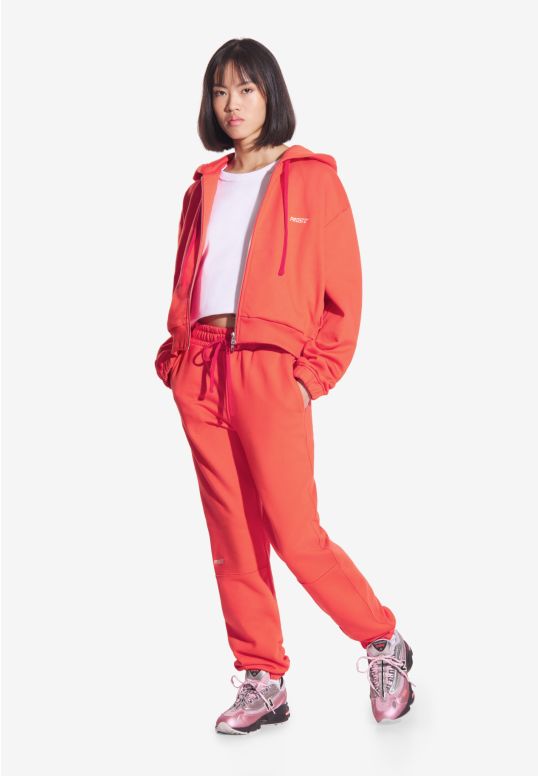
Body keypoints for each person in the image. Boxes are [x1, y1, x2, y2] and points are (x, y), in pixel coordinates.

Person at [155, 37, 415, 735]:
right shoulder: (201, 188)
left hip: (271, 371)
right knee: (232, 537)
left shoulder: (312, 180)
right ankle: (262, 677)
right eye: (220, 91)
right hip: (202, 370)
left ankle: (382, 640)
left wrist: (311, 376)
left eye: (245, 89)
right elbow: (184, 282)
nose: (231, 104)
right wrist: (176, 359)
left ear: (271, 94)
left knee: (296, 535)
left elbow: (344, 294)